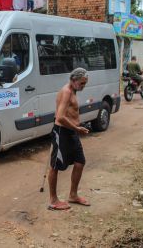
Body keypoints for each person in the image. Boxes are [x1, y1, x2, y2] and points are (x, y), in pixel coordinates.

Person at [48, 68, 90, 210]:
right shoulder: (66, 92)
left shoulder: (74, 90)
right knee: (55, 166)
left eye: (85, 83)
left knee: (80, 162)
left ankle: (73, 195)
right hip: (62, 132)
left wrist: (76, 129)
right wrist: (77, 128)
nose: (84, 86)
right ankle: (53, 200)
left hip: (72, 132)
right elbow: (60, 117)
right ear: (73, 80)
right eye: (82, 83)